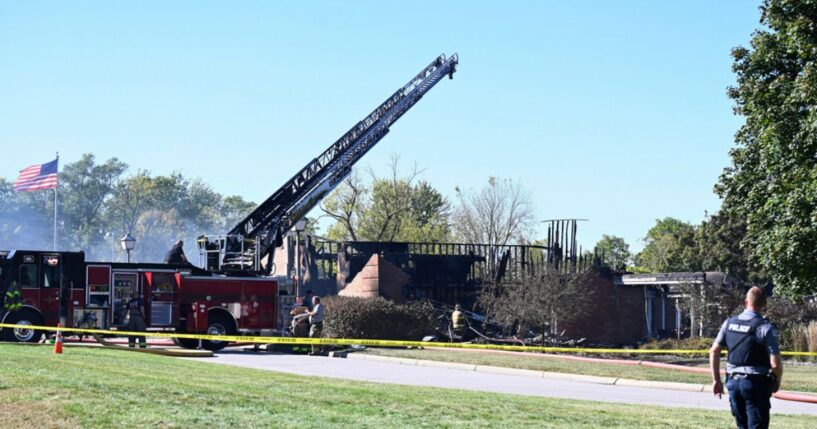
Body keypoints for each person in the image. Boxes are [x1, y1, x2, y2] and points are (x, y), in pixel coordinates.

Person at [710, 286, 782, 429]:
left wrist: (716, 380)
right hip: (755, 385)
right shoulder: (765, 328)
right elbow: (775, 364)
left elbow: (714, 351)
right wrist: (777, 381)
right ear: (764, 305)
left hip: (733, 383)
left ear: (745, 302)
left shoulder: (729, 323)